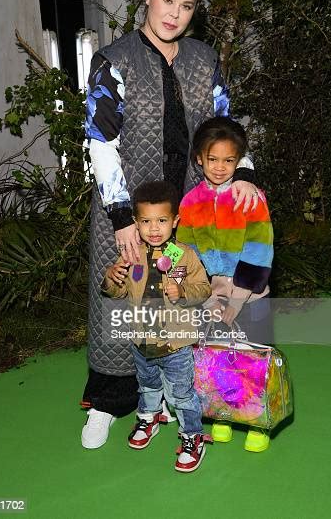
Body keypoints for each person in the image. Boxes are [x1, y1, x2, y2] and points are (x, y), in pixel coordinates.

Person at [81, 0, 259, 450]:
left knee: (186, 298)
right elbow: (100, 142)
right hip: (130, 212)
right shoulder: (113, 59)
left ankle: (185, 400)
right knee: (127, 302)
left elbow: (224, 124)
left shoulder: (203, 58)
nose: (173, 14)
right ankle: (112, 404)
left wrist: (242, 174)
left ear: (193, 12)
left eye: (185, 5)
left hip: (193, 210)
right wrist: (121, 218)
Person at [176, 116, 274, 452]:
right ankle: (222, 415)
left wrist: (236, 301)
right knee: (217, 360)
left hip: (252, 298)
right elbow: (185, 255)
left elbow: (260, 252)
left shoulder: (251, 197)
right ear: (199, 159)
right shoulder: (189, 202)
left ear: (239, 159)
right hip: (210, 301)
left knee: (252, 358)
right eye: (212, 159)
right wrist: (190, 292)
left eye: (229, 160)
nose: (220, 168)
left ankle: (257, 422)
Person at [103, 181, 212, 472]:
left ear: (175, 221)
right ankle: (149, 417)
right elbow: (117, 291)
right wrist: (112, 277)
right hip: (141, 341)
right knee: (147, 385)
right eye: (146, 221)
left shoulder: (184, 254)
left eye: (162, 220)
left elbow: (204, 288)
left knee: (182, 394)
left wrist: (184, 293)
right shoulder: (131, 254)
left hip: (175, 344)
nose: (154, 228)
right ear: (136, 224)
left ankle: (192, 436)